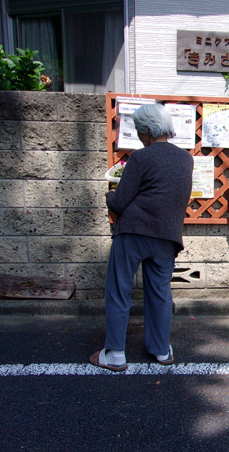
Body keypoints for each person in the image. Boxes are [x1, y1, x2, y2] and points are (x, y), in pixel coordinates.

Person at [90, 104, 194, 372]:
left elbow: (121, 202)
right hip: (167, 236)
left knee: (119, 291)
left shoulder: (140, 157)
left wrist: (109, 195)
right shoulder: (186, 159)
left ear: (146, 130)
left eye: (138, 130)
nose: (138, 135)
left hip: (134, 231)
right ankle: (161, 350)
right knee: (160, 293)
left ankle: (114, 354)